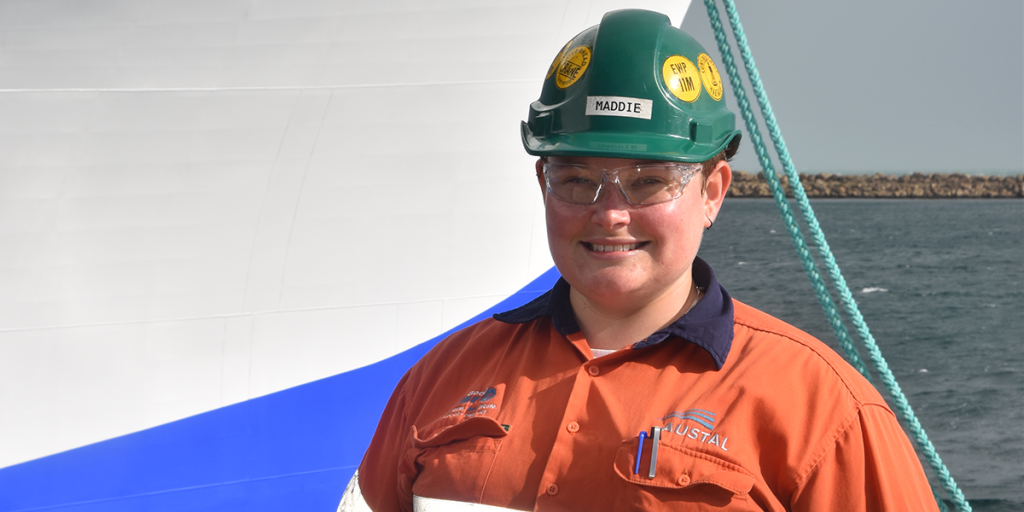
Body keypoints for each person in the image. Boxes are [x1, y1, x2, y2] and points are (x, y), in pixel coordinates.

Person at [340, 9, 939, 512]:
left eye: (649, 181)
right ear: (543, 185)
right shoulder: (440, 378)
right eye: (577, 180)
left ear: (712, 192)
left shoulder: (825, 410)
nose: (609, 214)